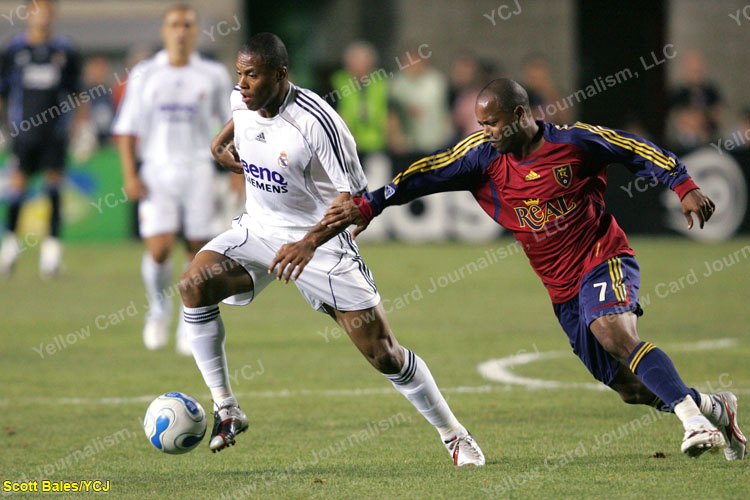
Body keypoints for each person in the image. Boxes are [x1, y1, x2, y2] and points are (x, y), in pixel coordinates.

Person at [317, 78, 746, 460]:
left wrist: (683, 184)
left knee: (613, 331)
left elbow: (633, 148)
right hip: (560, 290)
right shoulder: (482, 156)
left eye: (493, 123)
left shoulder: (575, 143)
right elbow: (424, 174)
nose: (485, 133)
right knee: (628, 388)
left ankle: (694, 422)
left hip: (603, 257)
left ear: (521, 115)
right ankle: (714, 406)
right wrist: (372, 202)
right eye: (480, 124)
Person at [178, 33, 484, 466]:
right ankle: (227, 408)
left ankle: (454, 435)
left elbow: (356, 204)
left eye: (252, 75)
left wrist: (308, 243)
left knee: (384, 354)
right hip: (258, 230)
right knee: (193, 284)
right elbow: (238, 119)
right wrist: (218, 144)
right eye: (239, 74)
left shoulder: (318, 123)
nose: (242, 84)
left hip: (320, 245)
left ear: (280, 75)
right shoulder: (240, 98)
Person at [112, 4, 233, 355]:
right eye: (175, 25)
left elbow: (231, 125)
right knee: (160, 248)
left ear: (196, 32)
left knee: (198, 250)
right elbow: (126, 129)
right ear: (165, 31)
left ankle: (187, 321)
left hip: (198, 169)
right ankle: (157, 310)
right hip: (157, 170)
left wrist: (237, 172)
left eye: (188, 25)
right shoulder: (145, 74)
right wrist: (130, 174)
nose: (181, 31)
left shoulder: (212, 74)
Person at [0, 0, 85, 277]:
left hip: (55, 134)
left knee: (53, 189)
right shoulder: (14, 50)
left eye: (48, 10)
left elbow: (78, 93)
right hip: (23, 133)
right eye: (38, 9)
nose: (43, 15)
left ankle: (51, 255)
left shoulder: (65, 50)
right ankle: (10, 248)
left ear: (54, 14)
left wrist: (83, 128)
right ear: (28, 14)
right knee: (18, 187)